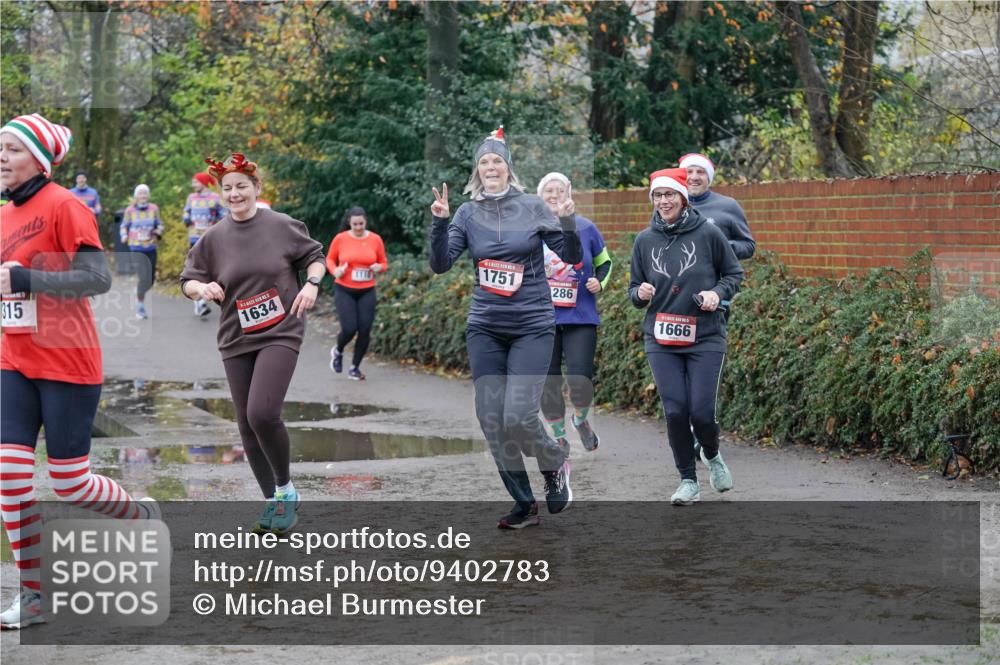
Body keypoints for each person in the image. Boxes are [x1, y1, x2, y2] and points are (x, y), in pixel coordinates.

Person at [0, 113, 157, 630]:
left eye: (12, 149)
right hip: (14, 360)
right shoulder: (2, 215)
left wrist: (27, 277)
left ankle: (142, 517)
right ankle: (34, 595)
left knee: (70, 482)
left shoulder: (65, 206)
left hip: (67, 362)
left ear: (39, 159)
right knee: (10, 477)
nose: (1, 157)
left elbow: (97, 278)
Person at [429, 126, 581, 529]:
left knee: (518, 415)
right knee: (490, 417)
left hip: (532, 324)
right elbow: (441, 263)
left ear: (508, 167)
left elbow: (571, 256)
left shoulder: (532, 206)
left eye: (497, 160)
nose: (491, 166)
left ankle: (554, 461)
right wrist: (440, 223)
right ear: (477, 171)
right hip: (486, 326)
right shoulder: (466, 212)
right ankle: (523, 502)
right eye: (484, 161)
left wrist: (567, 221)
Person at [180, 153, 325, 535]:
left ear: (257, 188)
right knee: (245, 424)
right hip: (235, 335)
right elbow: (187, 279)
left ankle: (286, 491)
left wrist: (311, 284)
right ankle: (276, 502)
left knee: (262, 412)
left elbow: (315, 256)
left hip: (281, 330)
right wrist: (202, 287)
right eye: (227, 188)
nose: (234, 194)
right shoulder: (213, 238)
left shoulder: (281, 226)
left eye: (241, 186)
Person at [628, 168, 743, 506]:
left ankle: (712, 453)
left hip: (705, 335)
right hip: (661, 338)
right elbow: (633, 290)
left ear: (682, 197)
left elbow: (734, 273)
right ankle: (688, 481)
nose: (664, 201)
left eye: (670, 195)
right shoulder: (644, 240)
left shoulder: (708, 233)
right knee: (676, 411)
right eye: (657, 195)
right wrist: (641, 293)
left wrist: (716, 294)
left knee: (702, 413)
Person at [536, 172, 611, 453]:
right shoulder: (533, 229)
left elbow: (606, 263)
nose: (554, 195)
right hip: (542, 318)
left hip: (580, 315)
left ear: (570, 194)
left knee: (581, 376)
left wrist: (599, 282)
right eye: (548, 191)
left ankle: (580, 420)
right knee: (548, 380)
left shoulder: (587, 228)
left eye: (560, 189)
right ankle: (558, 436)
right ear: (540, 198)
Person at [326, 206, 388, 380]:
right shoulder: (341, 239)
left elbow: (383, 263)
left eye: (361, 223)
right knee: (349, 328)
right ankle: (338, 351)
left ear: (365, 221)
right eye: (355, 224)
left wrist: (379, 267)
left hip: (367, 290)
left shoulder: (375, 239)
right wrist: (335, 270)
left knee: (365, 329)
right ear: (349, 223)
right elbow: (330, 259)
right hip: (344, 289)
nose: (359, 227)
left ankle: (355, 367)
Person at [679, 153, 755, 260]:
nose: (694, 177)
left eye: (700, 172)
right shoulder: (669, 207)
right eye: (689, 172)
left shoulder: (728, 205)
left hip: (719, 276)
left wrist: (721, 247)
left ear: (708, 177)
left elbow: (748, 246)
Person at [183, 171, 224, 316]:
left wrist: (217, 226)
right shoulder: (191, 198)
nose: (193, 185)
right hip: (194, 238)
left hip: (211, 239)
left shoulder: (215, 198)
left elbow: (223, 215)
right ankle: (199, 302)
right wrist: (186, 218)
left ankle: (203, 299)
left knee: (211, 269)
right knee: (195, 269)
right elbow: (186, 211)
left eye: (196, 182)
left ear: (204, 183)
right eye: (193, 182)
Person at [119, 183, 163, 319]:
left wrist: (158, 231)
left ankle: (139, 292)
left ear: (148, 195)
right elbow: (123, 225)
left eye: (145, 193)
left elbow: (160, 223)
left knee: (150, 279)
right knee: (143, 276)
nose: (142, 196)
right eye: (140, 193)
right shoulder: (130, 210)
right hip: (136, 248)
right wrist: (124, 236)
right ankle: (140, 305)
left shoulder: (154, 208)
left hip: (150, 247)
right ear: (136, 196)